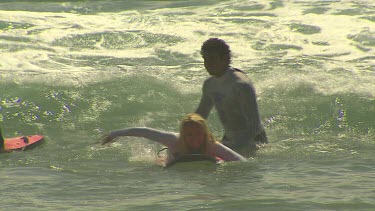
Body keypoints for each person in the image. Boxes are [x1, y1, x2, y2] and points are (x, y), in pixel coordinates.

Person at [195, 38, 268, 156]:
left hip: (254, 142)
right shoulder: (209, 85)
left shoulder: (241, 84)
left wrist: (233, 147)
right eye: (205, 59)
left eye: (212, 59)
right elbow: (199, 117)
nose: (207, 64)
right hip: (229, 140)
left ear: (225, 59)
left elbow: (254, 125)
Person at [100, 113, 246, 166]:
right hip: (173, 162)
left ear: (205, 133)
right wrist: (114, 134)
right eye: (189, 135)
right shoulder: (172, 140)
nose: (195, 138)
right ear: (183, 135)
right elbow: (143, 132)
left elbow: (240, 161)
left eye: (199, 134)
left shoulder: (211, 145)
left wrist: (222, 166)